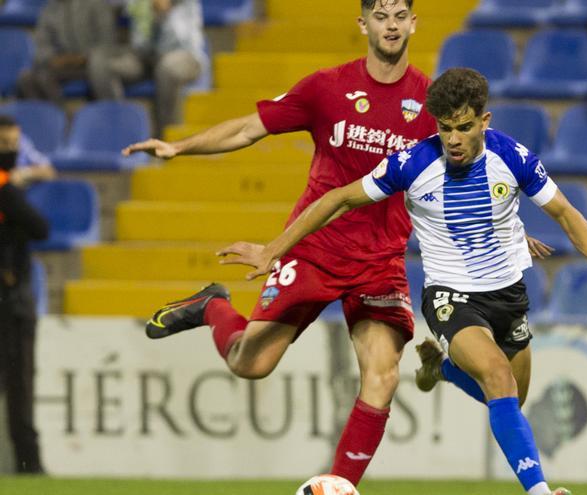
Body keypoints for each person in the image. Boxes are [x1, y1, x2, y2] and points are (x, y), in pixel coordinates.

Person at [120, 0, 555, 486]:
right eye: (380, 16)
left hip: (380, 262)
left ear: (413, 23)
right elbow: (249, 128)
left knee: (384, 374)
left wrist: (505, 225)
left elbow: (471, 168)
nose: (390, 25)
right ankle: (212, 306)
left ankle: (340, 484)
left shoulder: (432, 104)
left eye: (399, 16)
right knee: (250, 363)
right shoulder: (327, 88)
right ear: (363, 23)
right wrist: (179, 147)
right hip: (314, 251)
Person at [217, 68, 587, 495]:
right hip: (450, 296)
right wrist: (275, 247)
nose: (454, 139)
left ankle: (440, 368)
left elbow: (566, 214)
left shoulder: (512, 157)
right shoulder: (413, 163)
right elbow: (338, 199)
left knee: (509, 399)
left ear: (484, 121)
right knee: (497, 375)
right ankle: (540, 491)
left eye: (463, 127)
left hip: (508, 294)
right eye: (445, 128)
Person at [0, 115, 51, 474]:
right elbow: (40, 227)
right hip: (11, 300)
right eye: (5, 145)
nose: (12, 152)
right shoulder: (5, 190)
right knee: (19, 382)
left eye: (14, 144)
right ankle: (27, 461)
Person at [89, 0, 205, 133]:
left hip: (184, 55)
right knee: (101, 62)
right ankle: (117, 130)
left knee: (167, 68)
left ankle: (168, 139)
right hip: (145, 57)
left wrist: (160, 9)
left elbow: (165, 11)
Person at [16, 0, 116, 107]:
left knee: (98, 66)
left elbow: (107, 43)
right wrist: (52, 59)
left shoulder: (97, 4)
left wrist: (81, 58)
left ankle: (106, 112)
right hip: (64, 65)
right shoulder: (49, 9)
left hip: (95, 64)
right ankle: (56, 118)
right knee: (27, 78)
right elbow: (42, 46)